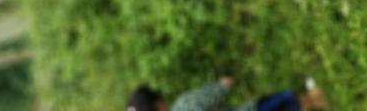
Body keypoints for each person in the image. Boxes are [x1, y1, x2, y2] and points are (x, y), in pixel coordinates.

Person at [126, 75, 328, 111]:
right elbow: (222, 89)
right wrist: (225, 82)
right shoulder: (185, 104)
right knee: (290, 101)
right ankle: (321, 98)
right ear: (159, 105)